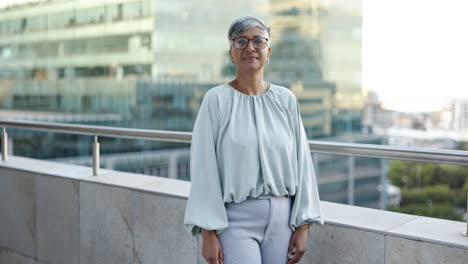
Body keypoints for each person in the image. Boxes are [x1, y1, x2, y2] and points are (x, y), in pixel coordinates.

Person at [183, 16, 324, 264]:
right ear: (232, 54)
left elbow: (303, 163)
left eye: (258, 41)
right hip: (236, 221)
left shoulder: (286, 100)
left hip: (283, 219)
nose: (250, 47)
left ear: (268, 51)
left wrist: (304, 226)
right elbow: (204, 168)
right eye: (241, 41)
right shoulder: (216, 100)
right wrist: (207, 232)